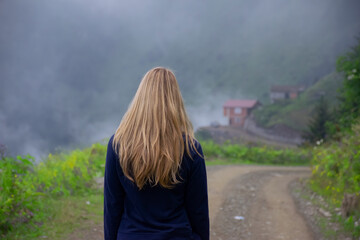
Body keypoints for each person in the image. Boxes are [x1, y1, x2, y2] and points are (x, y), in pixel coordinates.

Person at [104, 67, 209, 240]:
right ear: (175, 100)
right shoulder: (191, 148)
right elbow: (198, 210)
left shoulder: (118, 145)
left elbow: (112, 206)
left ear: (140, 99)